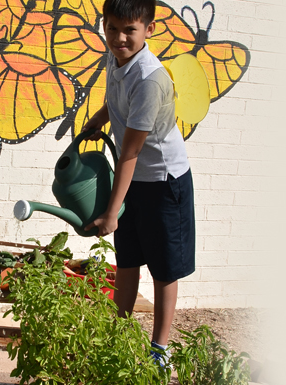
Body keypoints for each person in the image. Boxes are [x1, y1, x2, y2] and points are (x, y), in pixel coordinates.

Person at [81, 0, 195, 367]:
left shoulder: (149, 79)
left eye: (129, 30)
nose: (119, 38)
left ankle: (159, 350)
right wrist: (99, 118)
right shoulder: (117, 59)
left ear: (149, 28)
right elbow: (115, 98)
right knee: (128, 259)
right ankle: (119, 334)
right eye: (112, 28)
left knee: (164, 268)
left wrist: (112, 213)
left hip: (163, 181)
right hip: (134, 178)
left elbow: (128, 154)